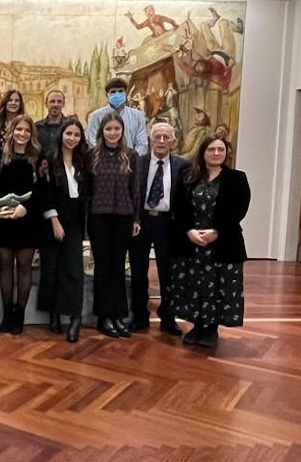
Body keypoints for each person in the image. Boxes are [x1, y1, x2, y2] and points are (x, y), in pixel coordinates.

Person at [167, 135, 250, 348]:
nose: (216, 153)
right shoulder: (188, 175)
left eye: (220, 150)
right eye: (211, 149)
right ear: (203, 152)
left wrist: (217, 231)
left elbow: (239, 209)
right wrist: (189, 231)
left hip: (222, 243)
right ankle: (197, 325)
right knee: (194, 284)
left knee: (217, 286)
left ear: (226, 153)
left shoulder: (237, 178)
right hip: (192, 243)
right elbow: (178, 206)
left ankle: (211, 328)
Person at [128, 122, 190, 335]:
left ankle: (168, 316)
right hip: (142, 222)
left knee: (168, 273)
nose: (161, 141)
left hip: (168, 224)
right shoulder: (138, 162)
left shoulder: (183, 166)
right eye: (157, 137)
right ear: (150, 140)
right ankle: (139, 316)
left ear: (173, 141)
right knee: (138, 272)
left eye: (166, 137)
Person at [0, 115, 45, 335]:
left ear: (32, 134)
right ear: (11, 131)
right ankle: (7, 312)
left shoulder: (39, 158)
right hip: (3, 219)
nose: (22, 134)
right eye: (18, 130)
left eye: (26, 131)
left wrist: (27, 208)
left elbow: (43, 191)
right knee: (5, 266)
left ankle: (20, 312)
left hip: (28, 220)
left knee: (23, 266)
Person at [36, 118, 90, 342]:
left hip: (75, 221)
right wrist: (54, 219)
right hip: (53, 220)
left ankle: (75, 318)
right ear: (61, 135)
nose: (72, 138)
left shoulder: (84, 161)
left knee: (74, 269)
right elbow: (44, 191)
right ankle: (54, 314)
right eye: (69, 134)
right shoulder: (49, 159)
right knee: (51, 268)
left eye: (76, 135)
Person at [88, 112, 141, 339]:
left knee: (118, 267)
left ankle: (120, 315)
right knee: (102, 267)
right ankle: (104, 316)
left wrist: (136, 218)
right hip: (99, 216)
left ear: (122, 131)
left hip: (123, 216)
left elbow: (136, 188)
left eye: (116, 129)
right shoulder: (92, 155)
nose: (112, 133)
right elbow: (88, 190)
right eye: (108, 129)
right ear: (102, 132)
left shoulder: (131, 155)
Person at [87, 77, 149, 156]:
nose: (117, 94)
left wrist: (131, 159)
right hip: (104, 163)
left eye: (120, 91)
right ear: (107, 95)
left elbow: (142, 144)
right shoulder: (95, 116)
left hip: (132, 163)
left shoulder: (138, 116)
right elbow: (93, 142)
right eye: (113, 92)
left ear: (125, 93)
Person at [34, 89, 67, 160]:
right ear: (46, 104)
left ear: (63, 104)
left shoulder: (70, 126)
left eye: (59, 101)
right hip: (42, 169)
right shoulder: (36, 127)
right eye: (52, 101)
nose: (55, 105)